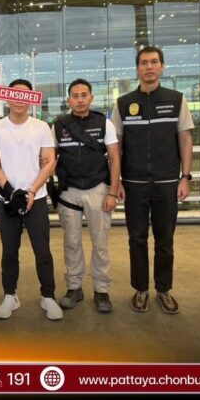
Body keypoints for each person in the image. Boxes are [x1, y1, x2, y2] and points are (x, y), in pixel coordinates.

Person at [111, 46, 194, 314]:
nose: (149, 67)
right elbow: (116, 145)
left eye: (154, 62)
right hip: (133, 184)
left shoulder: (176, 99)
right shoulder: (123, 103)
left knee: (164, 239)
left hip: (167, 183)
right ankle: (140, 289)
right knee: (136, 239)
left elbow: (185, 139)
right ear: (137, 68)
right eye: (144, 62)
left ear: (162, 67)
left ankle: (164, 289)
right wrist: (117, 180)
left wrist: (185, 177)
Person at [0, 78, 63, 321]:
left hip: (35, 198)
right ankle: (10, 295)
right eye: (15, 94)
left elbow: (49, 161)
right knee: (9, 251)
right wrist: (11, 192)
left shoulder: (41, 127)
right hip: (7, 199)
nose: (19, 99)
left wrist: (31, 191)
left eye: (25, 95)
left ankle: (48, 296)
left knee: (42, 250)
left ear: (31, 99)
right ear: (7, 97)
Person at [52, 78, 121, 314]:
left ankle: (101, 290)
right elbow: (50, 158)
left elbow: (115, 158)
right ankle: (74, 288)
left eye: (84, 95)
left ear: (91, 98)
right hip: (68, 191)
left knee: (100, 243)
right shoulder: (58, 125)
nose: (80, 100)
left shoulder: (104, 123)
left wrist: (113, 192)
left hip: (98, 189)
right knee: (71, 242)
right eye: (75, 96)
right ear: (68, 99)